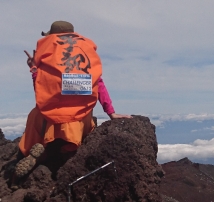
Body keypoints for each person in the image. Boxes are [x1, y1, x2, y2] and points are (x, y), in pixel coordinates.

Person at [12, 21, 131, 185]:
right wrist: (110, 112)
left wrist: (34, 69)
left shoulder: (48, 53)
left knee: (37, 114)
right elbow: (98, 84)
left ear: (52, 35)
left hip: (47, 120)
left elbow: (41, 90)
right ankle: (67, 152)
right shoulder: (85, 53)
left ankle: (35, 153)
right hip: (79, 120)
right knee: (87, 117)